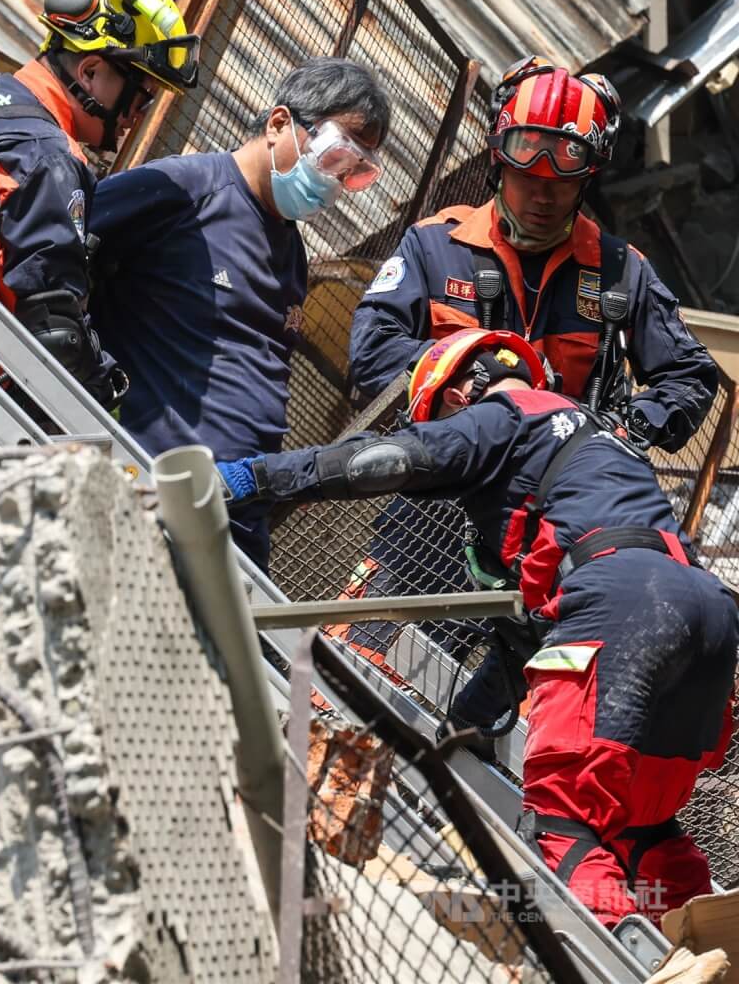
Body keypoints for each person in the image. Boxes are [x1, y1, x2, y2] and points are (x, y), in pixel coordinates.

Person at [216, 327, 738, 929]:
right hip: (706, 612)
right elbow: (525, 641)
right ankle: (707, 944)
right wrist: (468, 725)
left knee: (566, 818)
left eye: (438, 417)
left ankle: (618, 962)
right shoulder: (599, 442)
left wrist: (256, 478)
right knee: (640, 826)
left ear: (463, 389)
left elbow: (379, 461)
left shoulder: (501, 415)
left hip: (619, 601)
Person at [339, 54, 719, 662]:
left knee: (525, 718)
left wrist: (625, 432)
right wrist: (468, 376)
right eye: (527, 177)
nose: (543, 195)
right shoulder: (435, 246)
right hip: (435, 502)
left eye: (561, 181)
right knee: (360, 667)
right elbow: (372, 353)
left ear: (586, 178)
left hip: (556, 531)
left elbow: (691, 374)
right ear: (498, 162)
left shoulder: (622, 271)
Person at [88, 57, 390, 569]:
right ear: (278, 124)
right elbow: (60, 262)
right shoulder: (184, 189)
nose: (336, 183)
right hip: (147, 495)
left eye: (355, 173)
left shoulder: (291, 252)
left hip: (234, 517)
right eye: (336, 155)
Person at [0, 0, 199, 472]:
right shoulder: (46, 154)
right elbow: (54, 326)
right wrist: (104, 395)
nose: (136, 115)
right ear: (90, 72)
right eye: (141, 94)